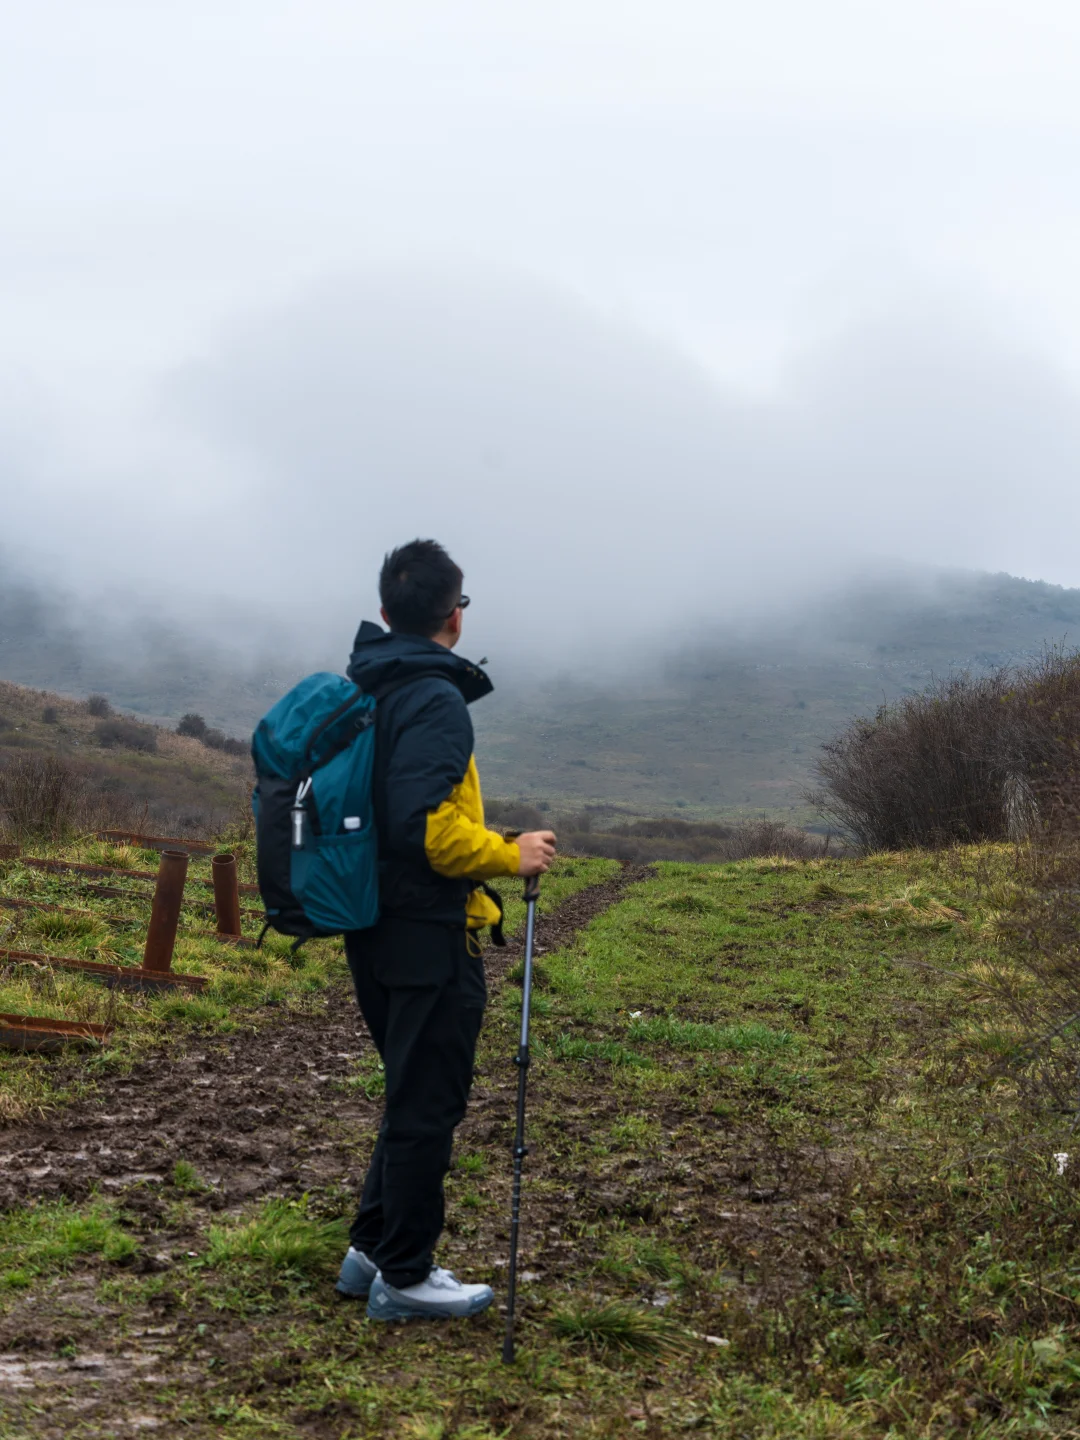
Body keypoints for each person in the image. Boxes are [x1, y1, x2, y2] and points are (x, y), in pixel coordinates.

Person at [335, 539, 556, 1321]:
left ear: (386, 612)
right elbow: (424, 829)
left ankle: (371, 1250)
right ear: (454, 617)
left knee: (410, 1090)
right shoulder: (433, 698)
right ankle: (406, 1275)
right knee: (429, 1102)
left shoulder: (372, 687)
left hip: (372, 921)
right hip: (427, 929)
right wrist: (508, 854)